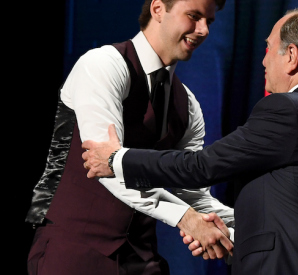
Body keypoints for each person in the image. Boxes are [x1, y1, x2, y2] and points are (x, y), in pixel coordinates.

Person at [83, 6, 298, 275]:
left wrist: (116, 159)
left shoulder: (290, 109)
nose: (263, 60)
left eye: (269, 48)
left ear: (292, 56)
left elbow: (200, 167)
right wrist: (234, 238)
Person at [25, 0, 235, 274]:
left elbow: (194, 193)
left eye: (209, 21)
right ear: (158, 9)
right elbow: (105, 167)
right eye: (194, 16)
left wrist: (247, 230)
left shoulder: (188, 104)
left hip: (141, 259)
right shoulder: (102, 65)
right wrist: (186, 218)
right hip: (73, 253)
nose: (204, 30)